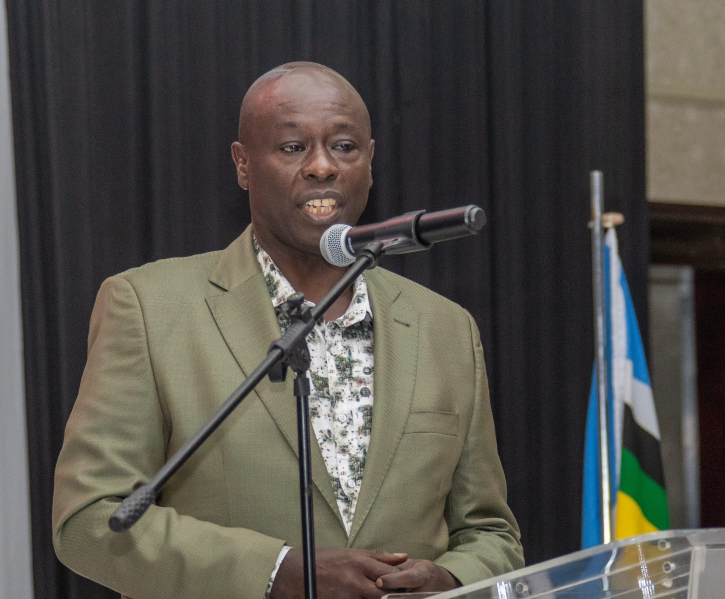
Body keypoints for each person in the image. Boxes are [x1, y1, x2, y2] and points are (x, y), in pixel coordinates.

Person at [53, 62, 523, 599]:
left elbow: (490, 533)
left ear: (370, 160)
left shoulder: (445, 328)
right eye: (294, 148)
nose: (322, 167)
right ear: (243, 164)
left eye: (344, 146)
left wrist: (451, 578)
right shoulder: (148, 306)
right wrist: (275, 572)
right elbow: (91, 521)